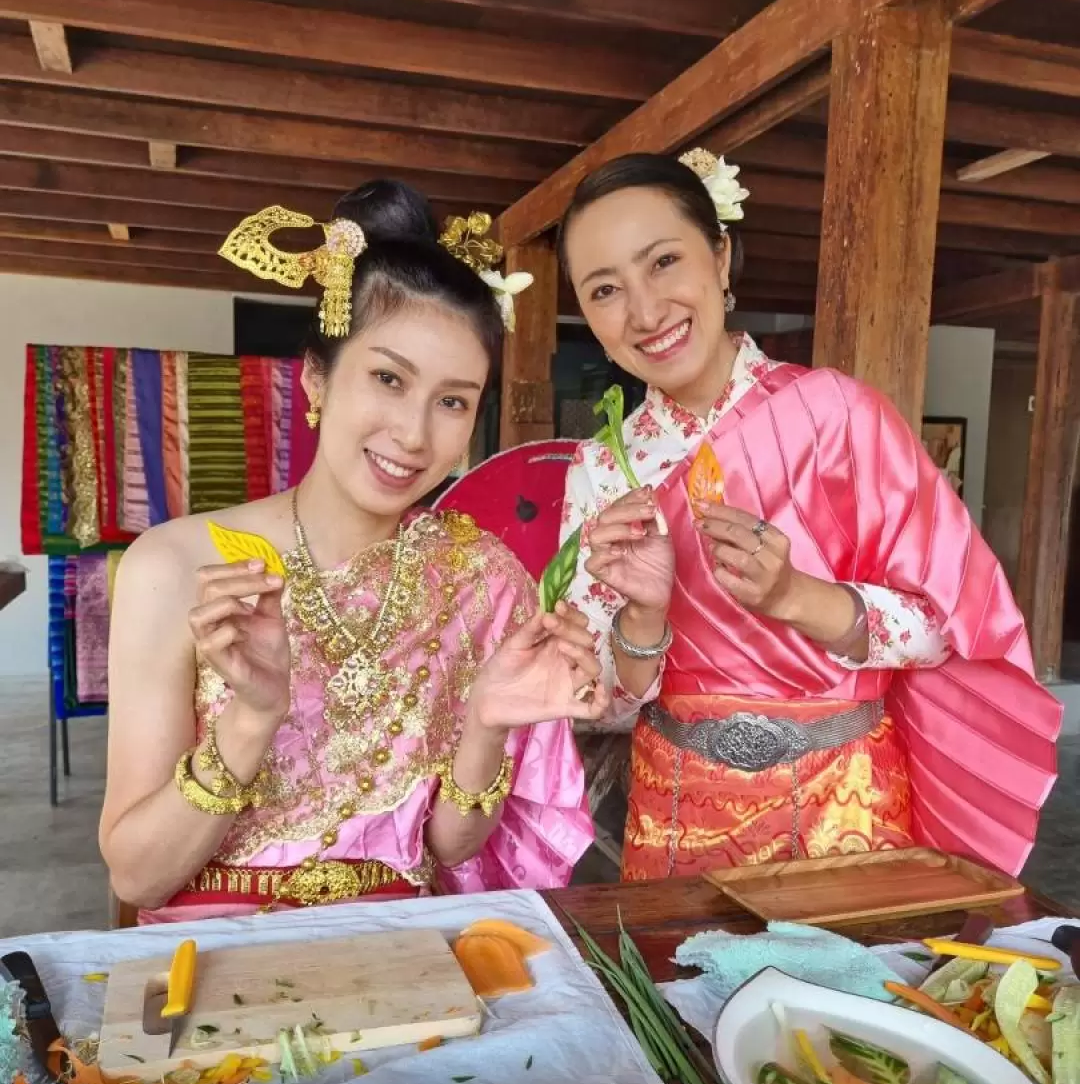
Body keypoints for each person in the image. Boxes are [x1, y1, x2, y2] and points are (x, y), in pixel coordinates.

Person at [101, 184, 605, 922]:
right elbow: (137, 879)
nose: (412, 433)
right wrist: (253, 717)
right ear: (315, 378)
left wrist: (487, 729)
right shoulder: (175, 567)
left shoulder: (482, 577)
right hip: (211, 975)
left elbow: (453, 849)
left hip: (402, 959)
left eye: (453, 400)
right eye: (388, 378)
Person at [557, 150, 1060, 880]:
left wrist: (798, 598)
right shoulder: (605, 470)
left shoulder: (840, 417)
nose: (644, 311)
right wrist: (642, 620)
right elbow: (593, 704)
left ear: (721, 257)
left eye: (663, 261)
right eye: (605, 289)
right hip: (677, 815)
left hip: (845, 809)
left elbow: (948, 628)